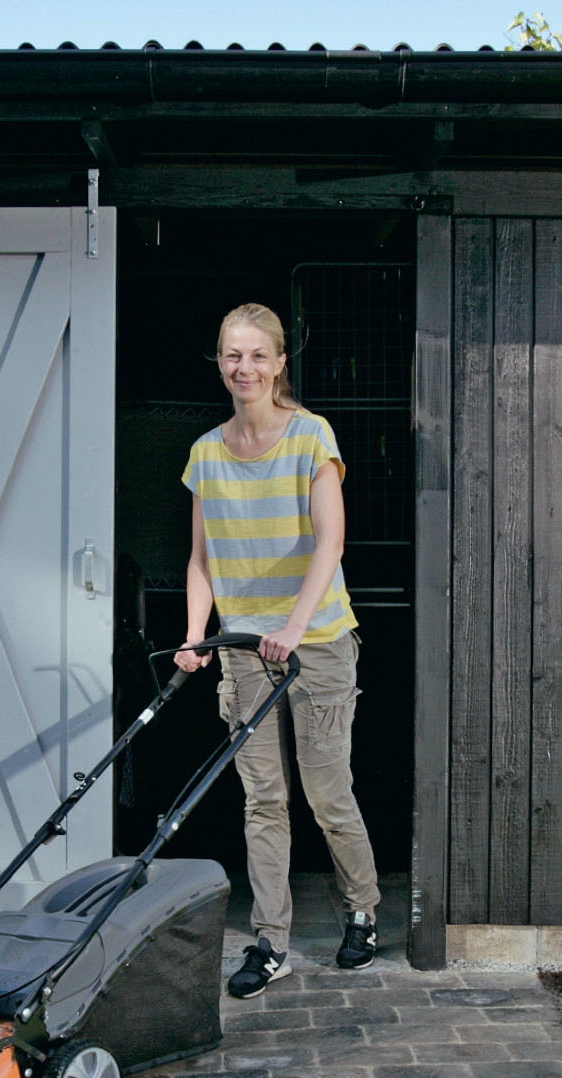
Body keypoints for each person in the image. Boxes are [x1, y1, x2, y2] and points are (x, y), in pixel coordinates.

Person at [175, 302, 380, 998]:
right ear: (220, 362)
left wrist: (292, 626)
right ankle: (271, 943)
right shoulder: (206, 454)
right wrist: (196, 635)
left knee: (326, 793)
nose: (245, 368)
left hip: (315, 642)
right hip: (243, 649)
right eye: (233, 355)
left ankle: (362, 910)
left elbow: (331, 542)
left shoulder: (311, 438)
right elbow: (201, 559)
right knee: (263, 799)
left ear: (279, 362)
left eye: (258, 355)